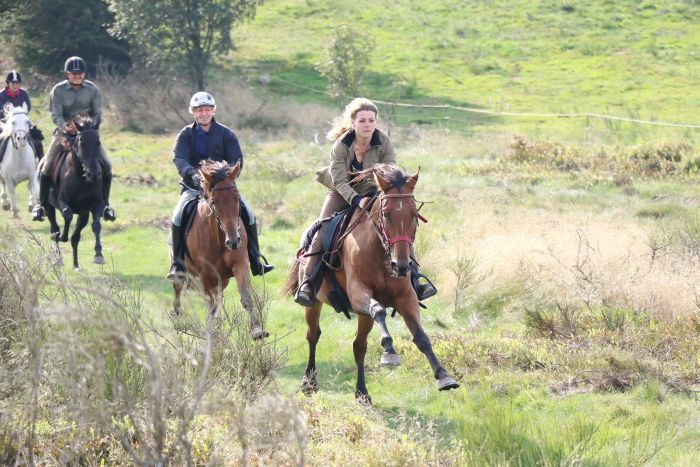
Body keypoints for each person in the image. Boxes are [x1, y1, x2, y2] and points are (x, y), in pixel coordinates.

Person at [294, 97, 437, 307]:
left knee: (399, 225)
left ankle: (416, 280)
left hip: (375, 192)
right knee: (322, 230)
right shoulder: (341, 146)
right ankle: (308, 283)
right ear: (353, 123)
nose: (367, 124)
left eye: (371, 120)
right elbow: (340, 181)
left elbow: (390, 172)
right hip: (341, 192)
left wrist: (389, 192)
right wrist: (357, 200)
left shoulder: (384, 141)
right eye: (362, 120)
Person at [166, 91, 274, 282]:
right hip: (193, 189)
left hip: (223, 190)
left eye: (207, 109)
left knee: (248, 213)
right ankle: (178, 265)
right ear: (193, 112)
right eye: (199, 110)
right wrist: (193, 174)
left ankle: (256, 260)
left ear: (213, 111)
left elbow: (236, 158)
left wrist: (228, 177)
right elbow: (179, 158)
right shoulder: (185, 134)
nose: (204, 113)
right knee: (177, 216)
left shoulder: (226, 133)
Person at [31, 56, 115, 222]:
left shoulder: (92, 89)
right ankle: (41, 205)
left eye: (80, 73)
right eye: (73, 73)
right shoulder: (58, 90)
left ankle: (105, 206)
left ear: (84, 74)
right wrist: (65, 125)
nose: (77, 76)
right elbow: (55, 113)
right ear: (67, 75)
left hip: (87, 134)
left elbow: (97, 112)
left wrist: (92, 124)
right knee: (46, 167)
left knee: (107, 165)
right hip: (64, 134)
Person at [0, 70, 45, 159]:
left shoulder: (24, 93)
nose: (15, 85)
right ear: (8, 83)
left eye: (17, 83)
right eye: (13, 83)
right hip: (4, 122)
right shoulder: (1, 95)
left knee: (37, 135)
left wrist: (20, 115)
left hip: (22, 120)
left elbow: (28, 107)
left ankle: (41, 158)